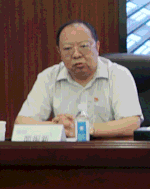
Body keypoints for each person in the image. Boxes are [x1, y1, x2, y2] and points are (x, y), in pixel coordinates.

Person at [15, 21, 143, 138]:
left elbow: (132, 123)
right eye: (67, 49)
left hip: (109, 152)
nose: (76, 54)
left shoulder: (118, 74)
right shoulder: (48, 77)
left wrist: (84, 129)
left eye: (84, 46)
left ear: (97, 47)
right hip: (66, 153)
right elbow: (21, 123)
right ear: (59, 52)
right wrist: (58, 127)